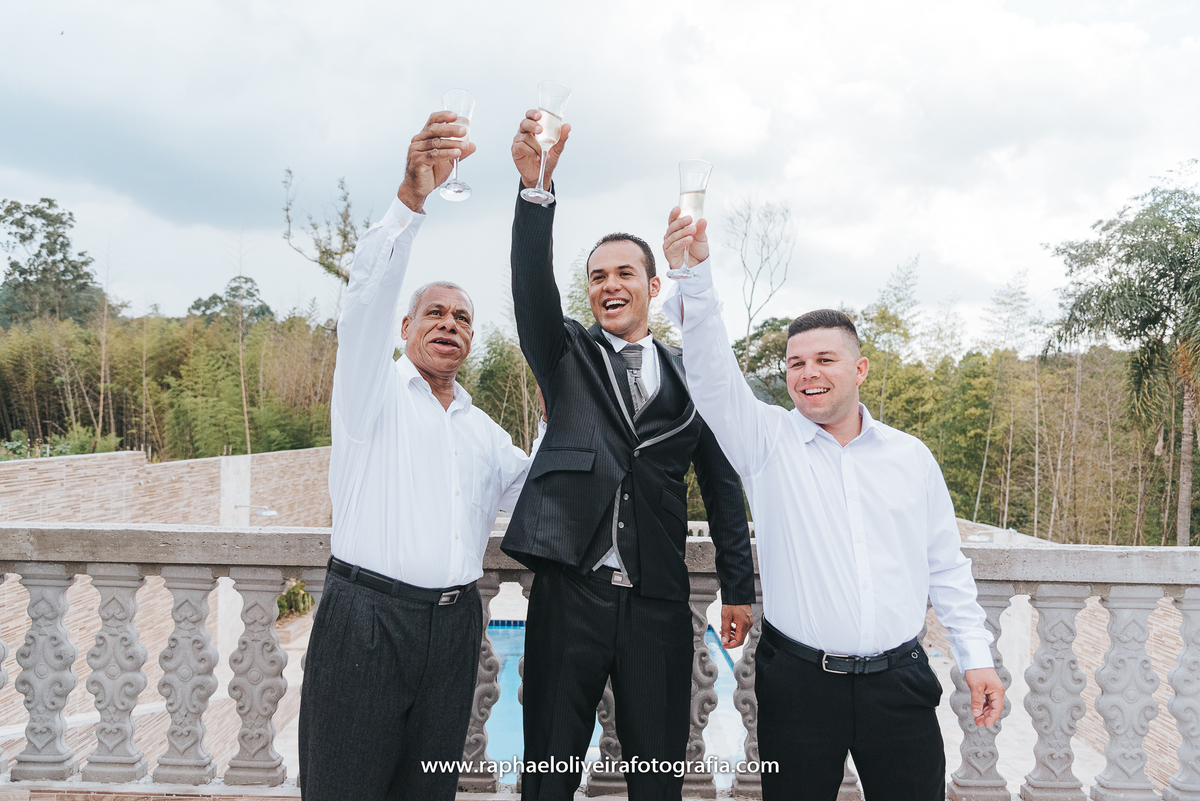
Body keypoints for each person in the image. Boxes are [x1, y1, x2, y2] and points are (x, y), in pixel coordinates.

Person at [659, 209, 1005, 801]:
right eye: (795, 363)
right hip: (798, 685)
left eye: (824, 360)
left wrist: (976, 656)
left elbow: (946, 568)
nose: (807, 374)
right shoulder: (766, 441)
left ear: (860, 369)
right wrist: (695, 277)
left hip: (899, 683)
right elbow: (713, 375)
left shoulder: (911, 457)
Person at [501, 110, 757, 801]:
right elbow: (531, 287)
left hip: (658, 603)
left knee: (657, 776)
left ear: (652, 286)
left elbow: (723, 484)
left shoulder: (694, 378)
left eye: (623, 274)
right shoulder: (566, 356)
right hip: (570, 594)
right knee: (548, 772)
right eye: (596, 277)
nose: (608, 286)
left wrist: (740, 584)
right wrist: (535, 195)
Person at [298, 111, 539, 801]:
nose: (449, 324)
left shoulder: (483, 430)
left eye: (463, 318)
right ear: (405, 329)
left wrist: (564, 407)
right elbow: (365, 301)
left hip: (454, 629)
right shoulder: (369, 392)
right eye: (434, 313)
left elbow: (542, 493)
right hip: (365, 622)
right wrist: (411, 201)